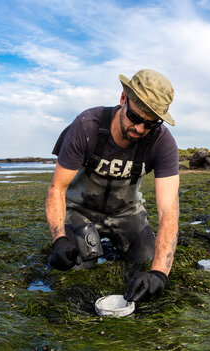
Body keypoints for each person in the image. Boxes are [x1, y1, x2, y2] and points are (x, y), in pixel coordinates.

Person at [45, 69, 179, 302]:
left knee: (145, 261)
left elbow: (169, 210)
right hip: (80, 210)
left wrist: (159, 274)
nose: (140, 129)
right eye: (135, 118)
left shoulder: (162, 143)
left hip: (127, 213)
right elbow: (57, 189)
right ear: (123, 99)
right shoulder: (87, 126)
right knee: (75, 268)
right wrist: (59, 239)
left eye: (151, 124)